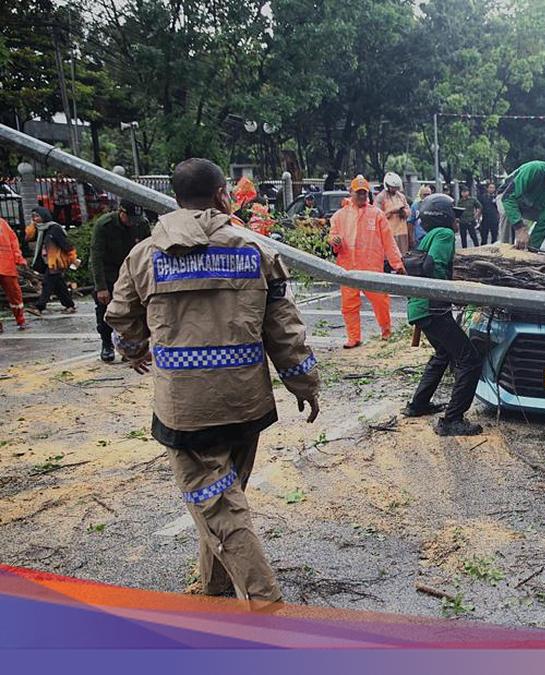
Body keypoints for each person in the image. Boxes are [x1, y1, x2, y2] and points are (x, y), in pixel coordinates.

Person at [105, 157, 320, 609]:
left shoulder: (144, 256)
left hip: (187, 411)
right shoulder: (256, 251)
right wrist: (305, 383)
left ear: (176, 199)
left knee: (217, 504)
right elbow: (285, 329)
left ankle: (265, 604)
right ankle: (214, 585)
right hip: (245, 404)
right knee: (222, 501)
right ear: (223, 196)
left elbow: (123, 320)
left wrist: (134, 350)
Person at [404, 193, 484, 436]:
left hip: (420, 307)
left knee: (443, 353)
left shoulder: (427, 236)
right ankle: (452, 420)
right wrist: (449, 293)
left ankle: (418, 405)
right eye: (454, 216)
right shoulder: (444, 234)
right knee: (470, 360)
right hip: (433, 307)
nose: (457, 221)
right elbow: (433, 265)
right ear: (444, 217)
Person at [328, 174, 403, 349]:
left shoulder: (376, 214)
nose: (362, 196)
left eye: (364, 192)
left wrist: (397, 264)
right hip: (347, 268)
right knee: (349, 305)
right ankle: (353, 337)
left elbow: (388, 241)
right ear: (351, 192)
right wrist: (334, 241)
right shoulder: (339, 216)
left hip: (371, 267)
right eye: (359, 192)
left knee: (380, 301)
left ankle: (386, 332)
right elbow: (333, 237)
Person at [90, 202, 151, 362]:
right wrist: (101, 287)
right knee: (105, 309)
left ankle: (133, 346)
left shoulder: (141, 224)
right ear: (120, 212)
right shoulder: (104, 225)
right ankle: (107, 344)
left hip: (133, 272)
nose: (132, 222)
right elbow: (96, 257)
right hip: (110, 272)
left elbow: (149, 250)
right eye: (129, 218)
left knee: (136, 310)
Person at [26, 206, 76, 315]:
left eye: (37, 216)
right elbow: (28, 237)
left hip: (56, 261)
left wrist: (73, 257)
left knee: (47, 283)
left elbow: (65, 244)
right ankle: (69, 305)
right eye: (33, 216)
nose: (35, 219)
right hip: (46, 261)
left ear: (44, 216)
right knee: (59, 285)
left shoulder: (54, 228)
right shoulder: (39, 229)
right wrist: (32, 224)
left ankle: (39, 307)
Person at [0, 216, 28, 333]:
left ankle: (20, 320)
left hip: (6, 264)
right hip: (6, 264)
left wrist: (19, 259)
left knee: (15, 294)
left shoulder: (2, 223)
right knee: (15, 294)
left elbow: (13, 241)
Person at [375, 172, 412, 254]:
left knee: (402, 255)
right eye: (393, 187)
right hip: (388, 232)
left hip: (402, 232)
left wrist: (403, 212)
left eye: (396, 188)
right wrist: (391, 212)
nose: (395, 190)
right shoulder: (381, 197)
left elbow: (408, 211)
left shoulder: (401, 196)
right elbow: (376, 215)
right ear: (387, 186)